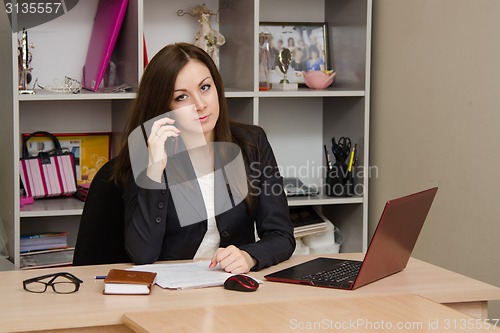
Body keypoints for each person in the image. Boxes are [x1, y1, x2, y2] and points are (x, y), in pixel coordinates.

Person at [112, 42, 295, 274]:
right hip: (171, 293)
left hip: (231, 286)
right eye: (181, 97)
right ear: (163, 106)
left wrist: (249, 257)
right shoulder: (149, 151)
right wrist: (155, 169)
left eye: (205, 87)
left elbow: (282, 236)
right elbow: (142, 254)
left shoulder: (252, 143)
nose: (200, 105)